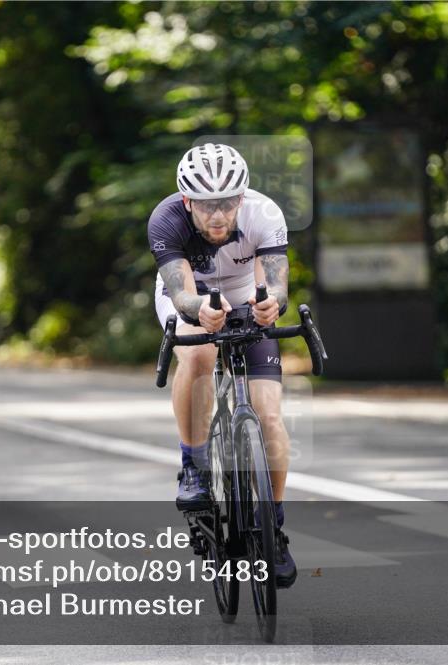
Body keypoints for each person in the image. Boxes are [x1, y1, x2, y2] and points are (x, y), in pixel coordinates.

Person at [147, 142, 296, 588]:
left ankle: (276, 526)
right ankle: (193, 463)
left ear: (242, 197)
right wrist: (198, 312)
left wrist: (271, 304)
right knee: (197, 351)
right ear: (188, 201)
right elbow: (181, 293)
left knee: (268, 413)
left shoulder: (265, 214)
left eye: (228, 203)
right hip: (192, 292)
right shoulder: (166, 219)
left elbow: (276, 283)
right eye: (208, 205)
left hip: (243, 292)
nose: (219, 215)